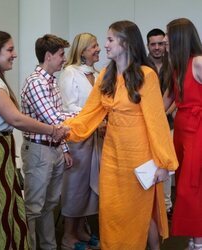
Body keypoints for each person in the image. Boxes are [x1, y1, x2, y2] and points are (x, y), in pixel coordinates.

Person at [63, 20, 179, 250]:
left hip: (139, 158)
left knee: (138, 214)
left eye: (110, 39)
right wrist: (65, 129)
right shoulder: (106, 74)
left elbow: (156, 122)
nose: (105, 45)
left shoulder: (147, 75)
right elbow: (89, 114)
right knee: (112, 212)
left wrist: (164, 162)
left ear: (125, 43)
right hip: (112, 157)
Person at [0, 30, 68, 250]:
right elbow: (16, 119)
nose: (15, 55)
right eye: (10, 49)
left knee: (9, 207)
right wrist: (52, 130)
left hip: (2, 149)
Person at [20, 34, 74, 250]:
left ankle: (49, 246)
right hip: (38, 151)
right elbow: (54, 120)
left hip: (54, 150)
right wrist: (85, 118)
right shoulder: (36, 83)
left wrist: (65, 149)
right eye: (61, 55)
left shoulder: (52, 82)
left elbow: (60, 120)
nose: (64, 59)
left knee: (49, 205)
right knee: (34, 208)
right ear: (48, 56)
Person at [58, 33, 102, 250]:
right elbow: (68, 108)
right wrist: (95, 119)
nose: (99, 49)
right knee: (74, 188)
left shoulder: (98, 73)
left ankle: (81, 231)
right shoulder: (70, 73)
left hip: (95, 139)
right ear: (83, 50)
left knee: (89, 188)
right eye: (94, 46)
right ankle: (67, 236)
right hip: (77, 139)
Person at [163, 18, 202, 250]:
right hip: (182, 131)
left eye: (168, 35)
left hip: (197, 130)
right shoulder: (176, 66)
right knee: (184, 187)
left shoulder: (198, 62)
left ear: (179, 37)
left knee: (192, 186)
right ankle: (193, 237)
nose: (165, 40)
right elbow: (162, 104)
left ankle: (199, 240)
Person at [147, 28, 174, 220]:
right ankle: (149, 205)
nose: (157, 47)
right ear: (148, 45)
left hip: (168, 123)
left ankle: (166, 205)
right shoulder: (140, 64)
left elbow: (176, 95)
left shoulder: (173, 65)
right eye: (153, 44)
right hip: (146, 125)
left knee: (166, 165)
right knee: (148, 165)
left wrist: (164, 114)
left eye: (160, 43)